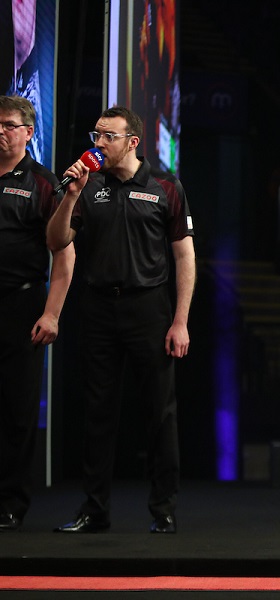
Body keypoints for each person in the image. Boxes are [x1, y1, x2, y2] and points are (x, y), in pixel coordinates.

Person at [46, 106, 195, 534]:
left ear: (132, 142)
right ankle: (94, 510)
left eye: (108, 136)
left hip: (149, 308)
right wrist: (71, 194)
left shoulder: (166, 186)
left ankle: (164, 509)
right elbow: (56, 241)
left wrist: (180, 321)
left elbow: (184, 256)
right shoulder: (88, 185)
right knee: (97, 411)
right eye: (96, 135)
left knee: (160, 412)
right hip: (98, 307)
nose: (98, 143)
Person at [0, 95, 74, 531]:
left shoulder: (44, 183)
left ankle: (10, 503)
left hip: (20, 304)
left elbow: (64, 254)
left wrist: (52, 314)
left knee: (16, 409)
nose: (1, 131)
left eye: (9, 125)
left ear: (28, 132)